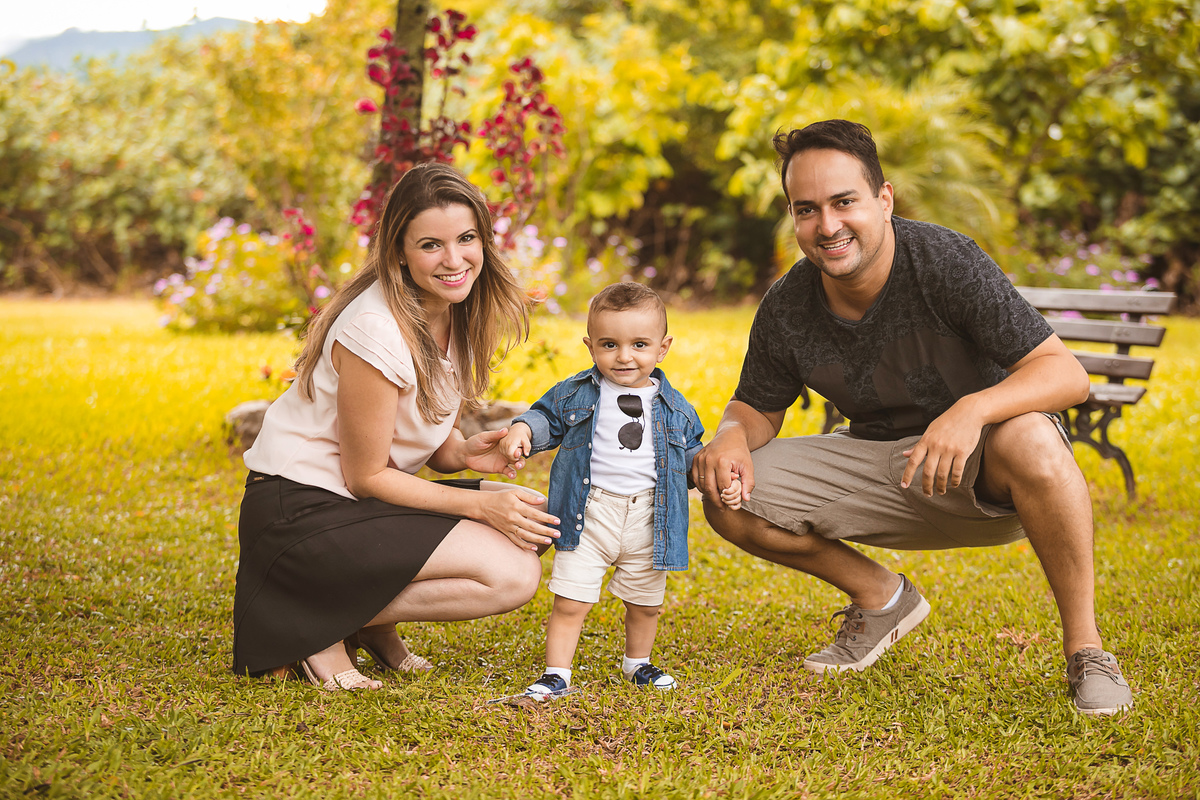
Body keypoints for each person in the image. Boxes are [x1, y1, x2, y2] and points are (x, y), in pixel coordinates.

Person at [692, 120, 1133, 716]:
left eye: (844, 202)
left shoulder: (945, 261)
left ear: (884, 199)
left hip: (990, 472)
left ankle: (1087, 650)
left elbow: (1066, 375)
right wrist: (729, 436)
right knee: (727, 491)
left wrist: (971, 410)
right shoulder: (789, 302)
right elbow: (758, 406)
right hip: (884, 467)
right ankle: (883, 599)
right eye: (806, 209)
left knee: (1030, 435)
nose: (827, 226)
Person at [233, 163, 560, 691]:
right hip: (299, 511)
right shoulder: (375, 330)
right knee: (512, 573)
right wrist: (478, 504)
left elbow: (423, 441)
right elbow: (365, 475)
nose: (454, 260)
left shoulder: (454, 310)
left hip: (356, 507)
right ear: (398, 253)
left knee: (531, 516)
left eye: (467, 238)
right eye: (431, 244)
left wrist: (463, 453)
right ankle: (314, 614)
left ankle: (364, 617)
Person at [497, 283, 715, 697]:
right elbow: (546, 416)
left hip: (651, 518)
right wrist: (523, 429)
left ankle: (638, 664)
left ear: (663, 348)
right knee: (571, 600)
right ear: (590, 345)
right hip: (589, 513)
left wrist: (711, 475)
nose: (625, 356)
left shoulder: (676, 407)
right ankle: (556, 673)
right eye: (610, 344)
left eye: (639, 344)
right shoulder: (578, 392)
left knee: (645, 603)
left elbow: (691, 455)